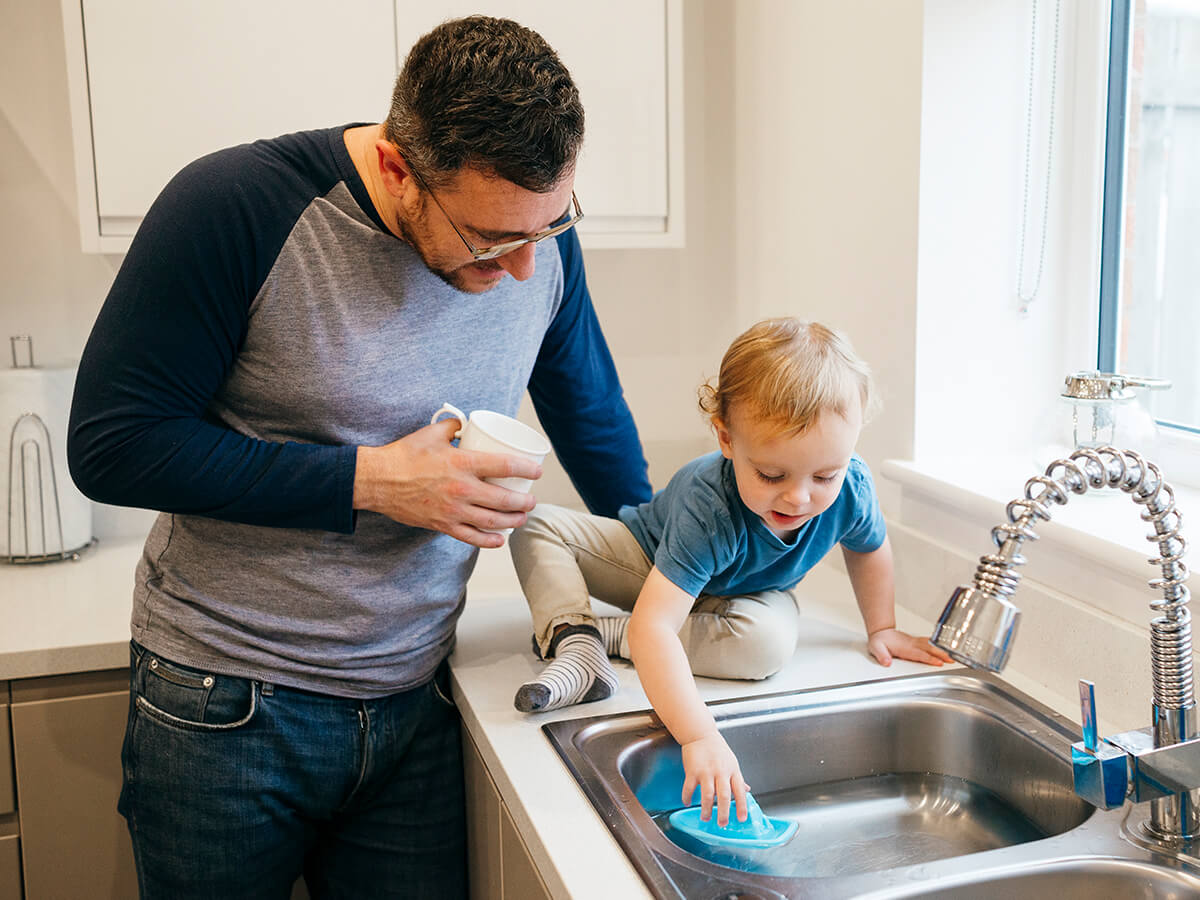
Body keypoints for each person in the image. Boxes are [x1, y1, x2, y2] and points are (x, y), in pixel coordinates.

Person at [67, 16, 651, 900]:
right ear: (395, 168)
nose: (529, 267)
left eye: (555, 224)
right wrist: (374, 481)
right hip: (223, 704)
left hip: (417, 698)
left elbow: (593, 416)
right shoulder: (236, 206)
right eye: (492, 241)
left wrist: (670, 577)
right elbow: (113, 446)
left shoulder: (533, 236)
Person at [509, 317, 952, 826]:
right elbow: (656, 622)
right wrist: (699, 735)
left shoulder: (851, 486)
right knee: (535, 523)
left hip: (752, 594)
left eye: (824, 475)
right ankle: (577, 640)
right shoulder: (709, 502)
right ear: (725, 438)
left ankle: (611, 635)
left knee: (766, 645)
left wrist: (883, 627)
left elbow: (870, 548)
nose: (800, 497)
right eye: (771, 474)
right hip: (650, 560)